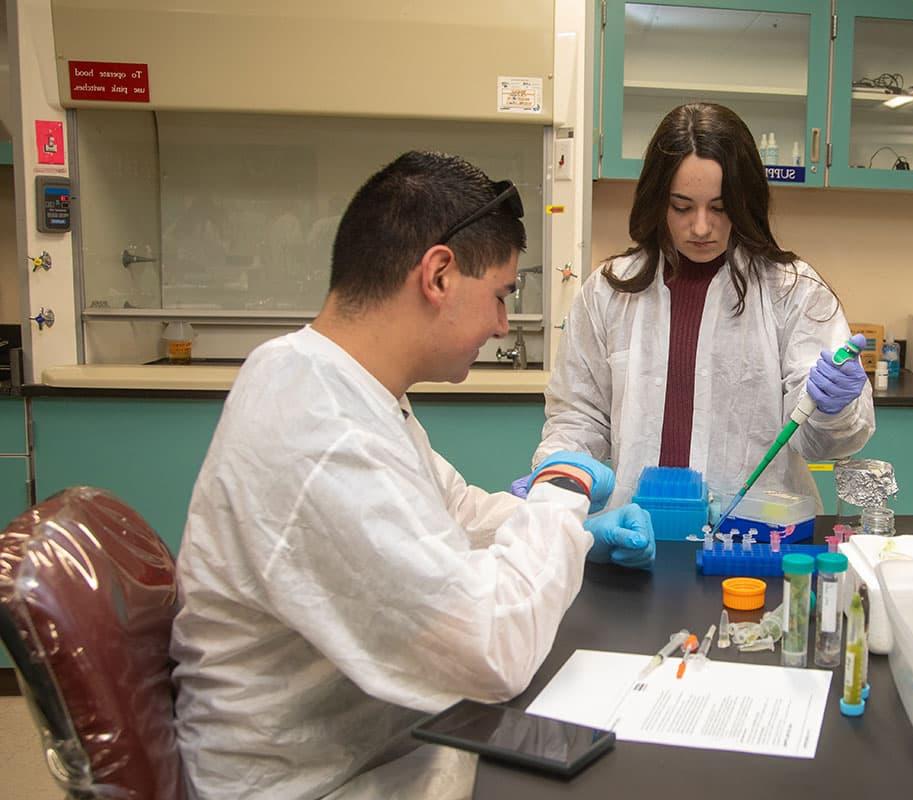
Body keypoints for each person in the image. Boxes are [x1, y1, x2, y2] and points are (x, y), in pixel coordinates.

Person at [170, 151, 653, 800]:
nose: (503, 324)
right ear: (440, 275)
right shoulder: (322, 430)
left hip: (370, 743)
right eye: (502, 296)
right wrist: (559, 491)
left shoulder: (328, 380)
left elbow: (455, 512)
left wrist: (582, 529)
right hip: (309, 783)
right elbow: (492, 653)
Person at [531, 103, 875, 511]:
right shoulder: (608, 292)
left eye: (719, 207)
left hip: (756, 538)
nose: (699, 227)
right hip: (639, 535)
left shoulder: (794, 291)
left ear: (745, 201)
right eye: (682, 206)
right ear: (658, 200)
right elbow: (578, 418)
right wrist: (558, 484)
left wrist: (832, 407)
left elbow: (823, 443)